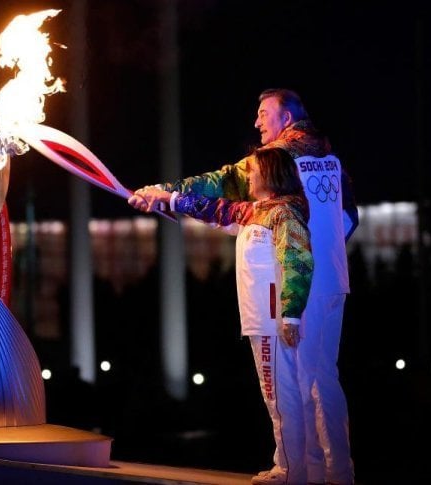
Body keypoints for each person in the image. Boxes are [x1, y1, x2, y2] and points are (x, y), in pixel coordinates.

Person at [131, 88, 358, 485]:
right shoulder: (332, 160)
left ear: (286, 118)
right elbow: (349, 218)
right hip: (331, 280)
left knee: (291, 380)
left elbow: (221, 186)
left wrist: (166, 193)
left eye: (263, 113)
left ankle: (295, 470)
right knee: (322, 377)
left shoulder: (274, 162)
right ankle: (333, 471)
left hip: (290, 283)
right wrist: (323, 253)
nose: (257, 122)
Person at [130, 147, 314, 485]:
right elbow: (213, 208)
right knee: (279, 392)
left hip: (273, 321)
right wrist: (163, 198)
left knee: (279, 394)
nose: (248, 176)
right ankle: (299, 469)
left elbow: (298, 261)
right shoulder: (255, 211)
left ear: (270, 174)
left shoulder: (284, 213)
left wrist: (290, 314)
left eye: (253, 170)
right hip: (262, 320)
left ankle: (290, 472)